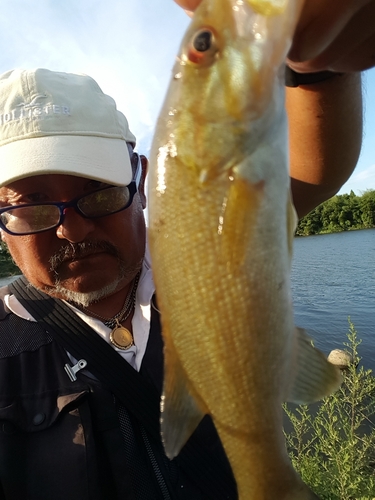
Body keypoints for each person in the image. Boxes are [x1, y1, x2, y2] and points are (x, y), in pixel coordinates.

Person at [0, 0, 372, 497]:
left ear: (141, 178)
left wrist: (314, 63)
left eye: (99, 190)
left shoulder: (208, 242)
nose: (70, 230)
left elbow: (314, 169)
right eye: (32, 207)